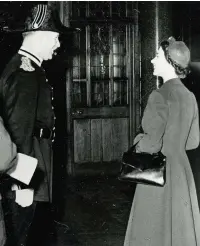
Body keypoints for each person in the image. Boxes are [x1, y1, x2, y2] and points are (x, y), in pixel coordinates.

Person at [0, 3, 78, 246]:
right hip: (27, 168)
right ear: (40, 36)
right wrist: (22, 184)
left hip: (35, 161)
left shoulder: (31, 69)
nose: (58, 45)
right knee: (23, 235)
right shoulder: (25, 73)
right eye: (55, 38)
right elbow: (18, 130)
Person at [124, 37, 200, 246]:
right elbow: (193, 142)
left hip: (159, 172)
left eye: (157, 55)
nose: (152, 60)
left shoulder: (159, 95)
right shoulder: (190, 97)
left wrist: (138, 140)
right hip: (181, 172)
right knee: (178, 229)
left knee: (153, 229)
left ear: (169, 62)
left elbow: (151, 145)